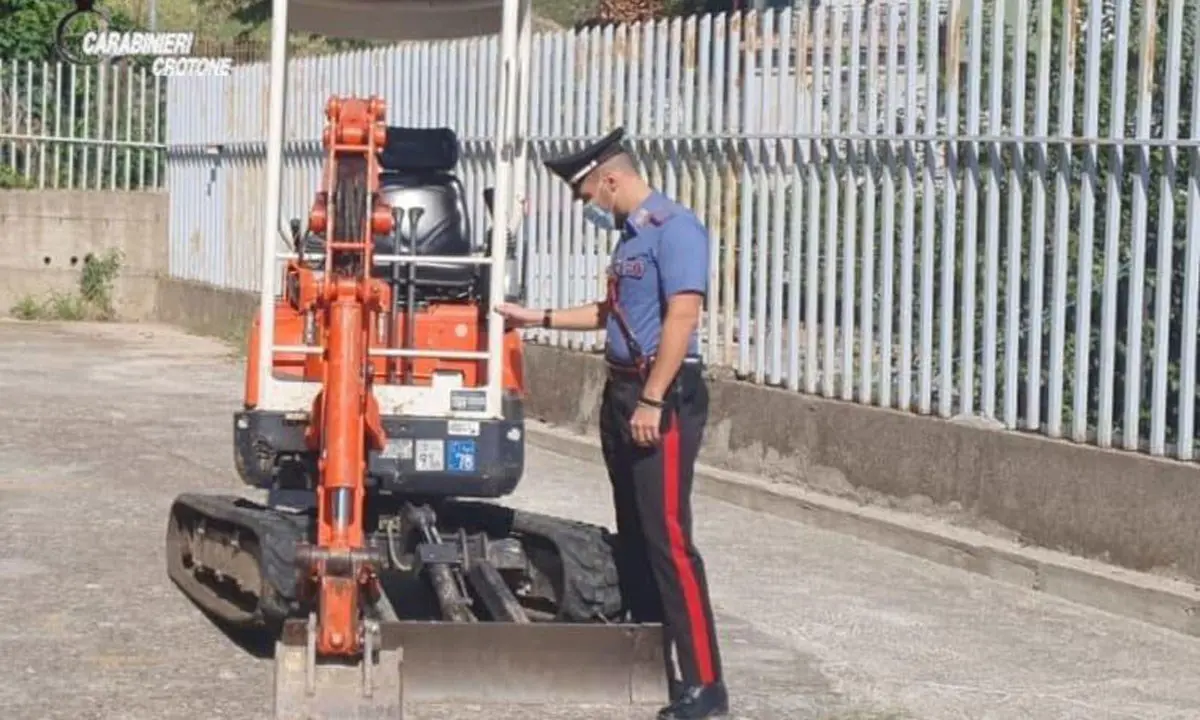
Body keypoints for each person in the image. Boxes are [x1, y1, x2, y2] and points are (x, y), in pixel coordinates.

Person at [495, 127, 728, 720]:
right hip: (624, 390)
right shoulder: (631, 239)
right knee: (634, 532)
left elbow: (683, 316)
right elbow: (610, 313)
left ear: (611, 179)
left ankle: (705, 685)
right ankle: (649, 660)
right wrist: (537, 316)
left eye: (587, 195)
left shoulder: (676, 229)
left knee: (669, 540)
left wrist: (652, 399)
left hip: (661, 395)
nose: (587, 206)